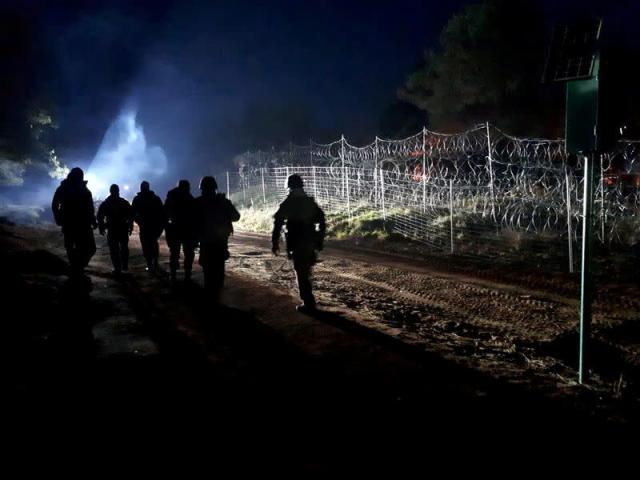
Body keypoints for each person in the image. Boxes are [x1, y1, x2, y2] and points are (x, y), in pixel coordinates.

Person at [272, 174, 326, 312]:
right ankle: (308, 299)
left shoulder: (288, 203)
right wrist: (319, 240)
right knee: (305, 270)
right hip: (310, 240)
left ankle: (308, 302)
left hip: (296, 242)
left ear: (289, 187)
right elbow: (321, 220)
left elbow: (278, 223)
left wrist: (275, 243)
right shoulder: (309, 202)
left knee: (301, 271)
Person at [193, 176, 240, 299]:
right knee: (219, 268)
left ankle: (210, 295)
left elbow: (192, 222)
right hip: (220, 241)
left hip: (205, 241)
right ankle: (217, 294)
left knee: (208, 269)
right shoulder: (223, 201)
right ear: (215, 188)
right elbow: (236, 216)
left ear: (202, 188)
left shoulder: (197, 202)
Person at [51, 167, 97, 278]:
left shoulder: (79, 188)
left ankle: (77, 268)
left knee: (87, 248)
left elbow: (90, 207)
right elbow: (55, 204)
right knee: (77, 248)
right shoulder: (66, 188)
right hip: (72, 223)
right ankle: (77, 270)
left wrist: (93, 220)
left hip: (80, 223)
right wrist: (59, 218)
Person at [97, 184, 133, 275]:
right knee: (123, 248)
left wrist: (102, 227)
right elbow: (130, 215)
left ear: (110, 191)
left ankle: (118, 268)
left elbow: (100, 216)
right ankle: (124, 266)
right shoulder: (123, 202)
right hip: (122, 228)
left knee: (114, 249)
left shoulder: (106, 203)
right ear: (118, 191)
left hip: (112, 228)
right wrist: (130, 226)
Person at [164, 179, 196, 282]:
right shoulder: (188, 197)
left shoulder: (172, 196)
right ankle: (187, 275)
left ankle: (174, 275)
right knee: (188, 253)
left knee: (175, 253)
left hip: (176, 229)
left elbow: (165, 213)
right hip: (185, 229)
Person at [132, 181, 165, 272]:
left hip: (145, 227)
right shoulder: (155, 198)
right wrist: (160, 226)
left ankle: (150, 265)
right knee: (153, 245)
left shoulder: (138, 199)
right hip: (153, 226)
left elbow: (133, 213)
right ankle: (154, 264)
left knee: (146, 246)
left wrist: (139, 221)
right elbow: (162, 213)